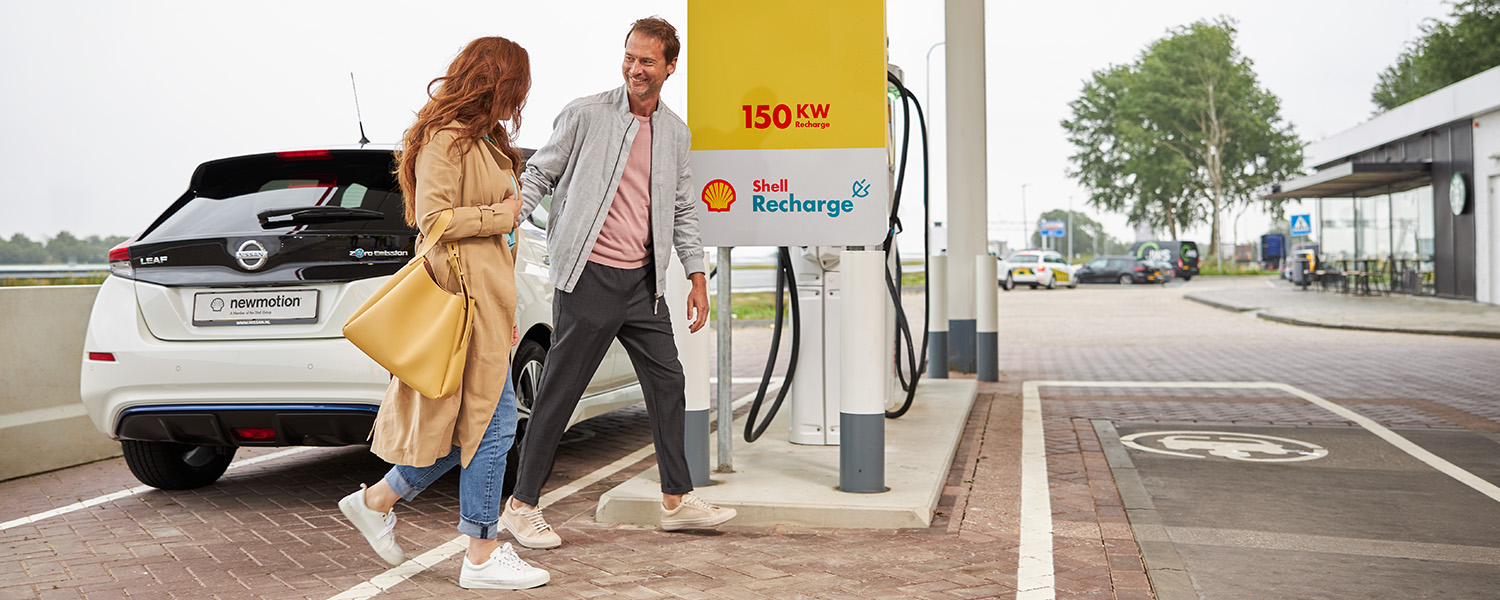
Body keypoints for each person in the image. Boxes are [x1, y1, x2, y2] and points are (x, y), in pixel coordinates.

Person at [501, 16, 736, 549]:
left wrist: (696, 274)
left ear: (670, 66)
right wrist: (510, 222)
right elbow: (538, 174)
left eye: (647, 60)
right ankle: (521, 505)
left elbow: (680, 207)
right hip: (587, 277)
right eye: (629, 57)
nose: (635, 68)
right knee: (560, 392)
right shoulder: (586, 114)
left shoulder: (675, 132)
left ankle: (676, 499)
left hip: (643, 284)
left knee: (669, 381)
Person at [337, 36, 548, 591]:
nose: (518, 99)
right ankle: (480, 554)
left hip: (488, 303)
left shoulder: (485, 140)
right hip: (463, 303)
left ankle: (377, 500)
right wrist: (496, 216)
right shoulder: (445, 140)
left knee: (477, 426)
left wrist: (503, 312)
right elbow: (432, 221)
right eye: (516, 87)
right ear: (495, 81)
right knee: (493, 424)